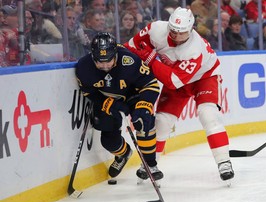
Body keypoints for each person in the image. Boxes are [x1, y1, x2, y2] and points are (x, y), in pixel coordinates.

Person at [125, 7, 235, 182]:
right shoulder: (156, 29)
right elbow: (130, 48)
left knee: (208, 114)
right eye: (173, 31)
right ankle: (150, 164)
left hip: (204, 77)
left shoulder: (194, 49)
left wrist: (151, 59)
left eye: (181, 33)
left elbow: (172, 81)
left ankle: (224, 161)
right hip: (176, 75)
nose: (176, 36)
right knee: (161, 121)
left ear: (191, 29)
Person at [75, 32, 163, 182]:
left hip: (133, 94)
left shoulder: (130, 61)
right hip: (108, 99)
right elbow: (89, 93)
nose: (104, 66)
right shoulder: (84, 68)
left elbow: (151, 84)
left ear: (115, 54)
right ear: (92, 57)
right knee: (108, 141)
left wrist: (144, 104)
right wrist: (109, 103)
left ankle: (150, 164)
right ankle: (123, 153)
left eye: (108, 61)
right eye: (100, 62)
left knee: (143, 119)